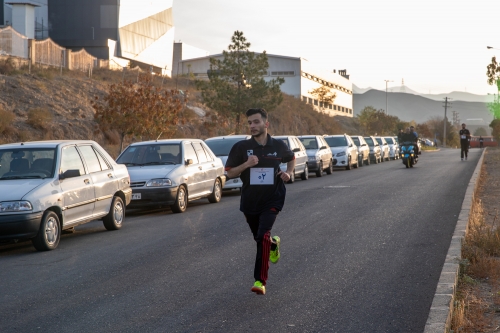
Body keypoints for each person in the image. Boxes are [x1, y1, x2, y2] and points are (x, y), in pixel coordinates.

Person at [225, 108, 296, 295]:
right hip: (250, 200)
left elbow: (292, 158)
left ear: (266, 123)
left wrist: (288, 172)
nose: (252, 126)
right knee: (260, 237)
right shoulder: (240, 147)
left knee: (262, 235)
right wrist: (246, 164)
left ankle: (260, 280)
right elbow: (230, 173)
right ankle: (273, 244)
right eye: (249, 123)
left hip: (273, 197)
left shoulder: (278, 145)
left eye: (256, 122)